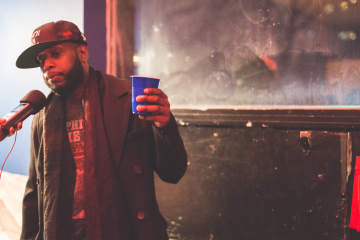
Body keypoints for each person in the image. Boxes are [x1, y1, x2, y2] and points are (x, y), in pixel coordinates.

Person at [16, 20, 187, 240]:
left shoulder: (128, 99)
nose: (47, 65)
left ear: (83, 53)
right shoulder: (42, 115)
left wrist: (165, 125)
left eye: (56, 54)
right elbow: (34, 195)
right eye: (41, 60)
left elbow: (173, 173)